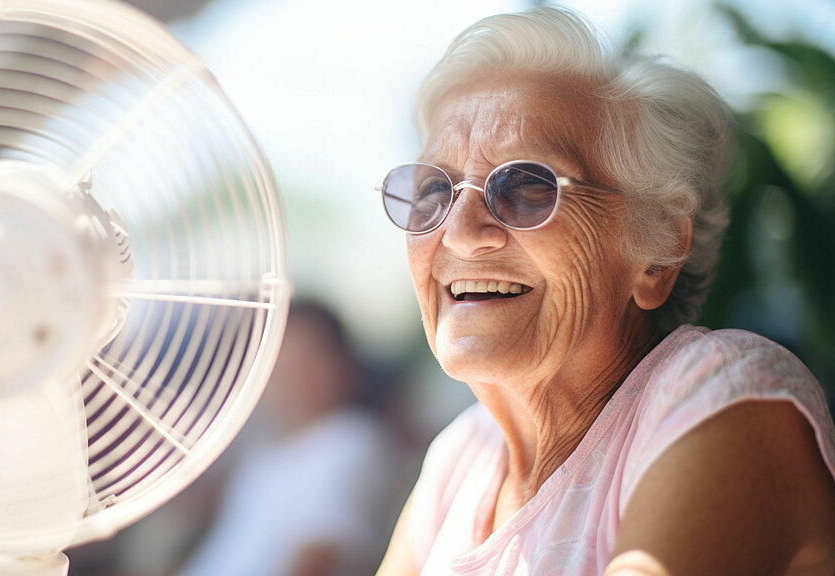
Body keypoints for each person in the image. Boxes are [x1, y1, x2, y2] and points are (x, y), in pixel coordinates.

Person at [373, 7, 835, 576]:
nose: (461, 233)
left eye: (527, 184)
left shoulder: (723, 394)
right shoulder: (459, 460)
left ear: (658, 250)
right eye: (432, 192)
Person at [176, 298, 393, 576]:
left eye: (307, 361)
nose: (293, 377)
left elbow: (318, 556)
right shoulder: (264, 446)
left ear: (341, 363)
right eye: (283, 362)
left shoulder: (353, 442)